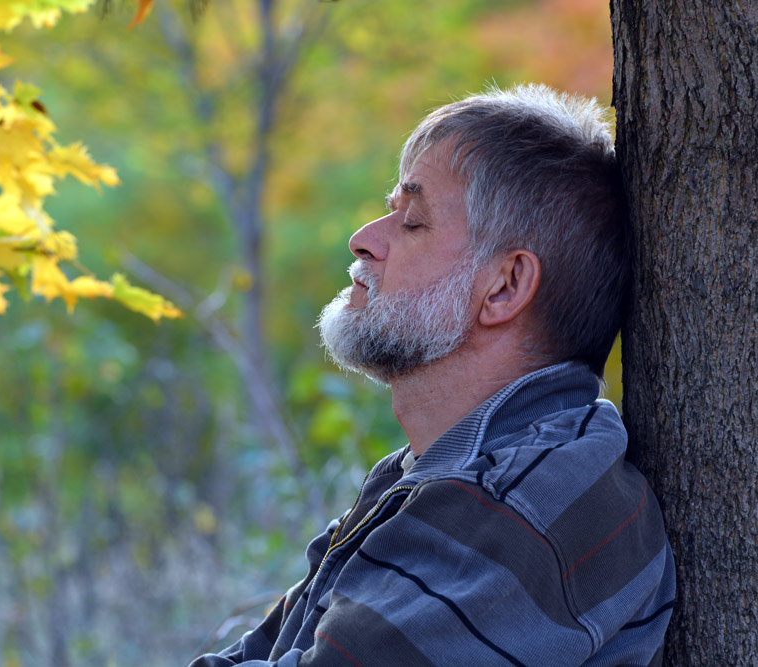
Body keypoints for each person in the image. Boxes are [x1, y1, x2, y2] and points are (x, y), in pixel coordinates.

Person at [189, 84, 676, 667]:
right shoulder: (443, 473)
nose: (365, 239)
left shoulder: (519, 509)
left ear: (504, 286)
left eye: (413, 221)